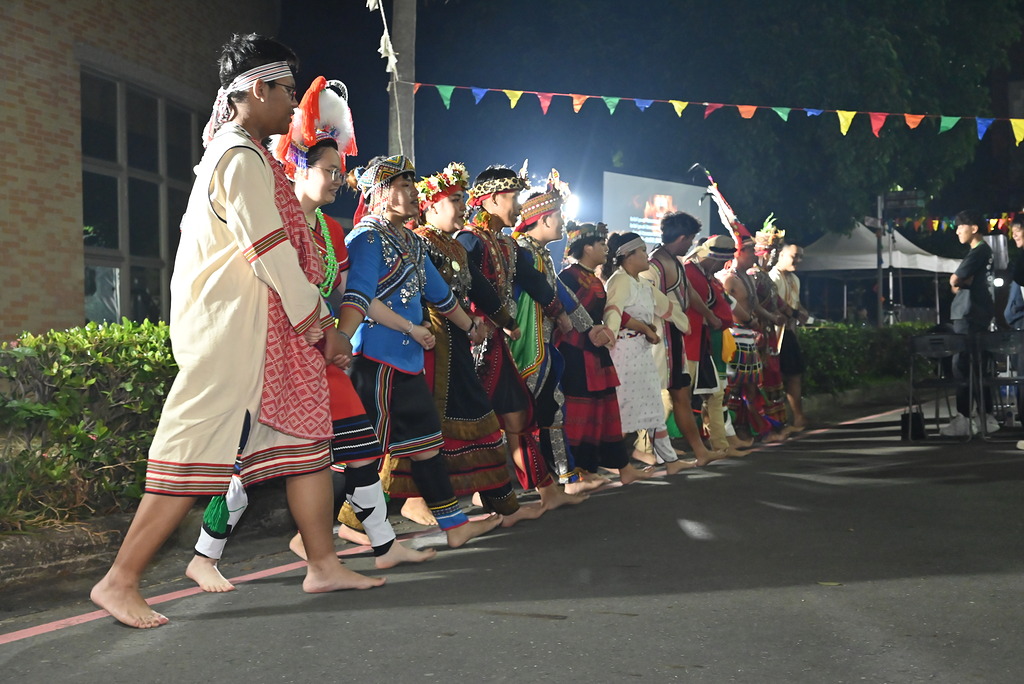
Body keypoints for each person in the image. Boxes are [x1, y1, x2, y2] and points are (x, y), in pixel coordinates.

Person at [90, 35, 385, 630]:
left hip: (266, 330)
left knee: (306, 441)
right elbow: (271, 253)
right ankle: (119, 580)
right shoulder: (240, 159)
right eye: (287, 91)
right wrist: (322, 326)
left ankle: (323, 563)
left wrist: (312, 326)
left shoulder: (248, 154)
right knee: (191, 452)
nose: (294, 104)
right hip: (231, 333)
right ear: (257, 89)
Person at [185, 77, 434, 593]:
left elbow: (346, 292)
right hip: (271, 353)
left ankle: (383, 546)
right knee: (248, 462)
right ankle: (205, 555)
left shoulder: (332, 230)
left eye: (342, 173)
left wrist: (340, 336)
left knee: (359, 445)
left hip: (318, 353)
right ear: (298, 168)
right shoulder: (271, 216)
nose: (338, 181)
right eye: (329, 171)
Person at [341, 154, 503, 545]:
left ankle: (455, 527)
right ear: (381, 194)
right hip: (374, 360)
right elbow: (359, 298)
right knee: (364, 451)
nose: (414, 193)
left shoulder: (411, 241)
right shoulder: (365, 238)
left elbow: (441, 295)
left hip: (407, 361)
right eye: (404, 186)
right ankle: (338, 527)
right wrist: (411, 328)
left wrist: (471, 327)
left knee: (427, 444)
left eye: (413, 186)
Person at [383, 162, 545, 525]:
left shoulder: (453, 246)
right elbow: (432, 295)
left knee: (477, 417)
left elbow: (480, 289)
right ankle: (413, 501)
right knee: (431, 421)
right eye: (455, 200)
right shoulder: (420, 242)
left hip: (455, 342)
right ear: (432, 205)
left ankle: (501, 505)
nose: (463, 206)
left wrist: (506, 322)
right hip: (429, 346)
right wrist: (470, 324)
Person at [459, 166, 588, 509]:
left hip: (498, 342)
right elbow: (462, 288)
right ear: (492, 200)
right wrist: (473, 321)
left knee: (517, 415)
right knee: (483, 419)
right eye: (513, 197)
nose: (518, 205)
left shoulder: (507, 244)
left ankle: (543, 491)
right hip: (472, 343)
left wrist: (558, 311)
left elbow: (535, 281)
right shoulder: (468, 240)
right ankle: (480, 494)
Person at [510, 173, 606, 492]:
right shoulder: (522, 251)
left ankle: (563, 477)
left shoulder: (538, 253)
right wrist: (563, 314)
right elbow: (547, 293)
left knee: (550, 407)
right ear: (545, 219)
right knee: (538, 410)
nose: (563, 222)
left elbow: (560, 292)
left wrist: (588, 326)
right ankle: (559, 479)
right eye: (559, 216)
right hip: (525, 343)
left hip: (541, 341)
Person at [557, 222, 651, 483]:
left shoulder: (594, 278)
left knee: (605, 412)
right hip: (576, 354)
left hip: (596, 352)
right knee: (581, 414)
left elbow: (608, 312)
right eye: (601, 244)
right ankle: (580, 473)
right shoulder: (568, 276)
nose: (606, 249)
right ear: (587, 248)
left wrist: (642, 327)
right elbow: (562, 315)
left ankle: (622, 468)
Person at [603, 232, 696, 473]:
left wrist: (683, 324)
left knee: (653, 407)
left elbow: (665, 306)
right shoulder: (619, 281)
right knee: (623, 407)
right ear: (628, 256)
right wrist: (610, 336)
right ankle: (612, 463)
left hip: (641, 352)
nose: (647, 255)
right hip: (622, 353)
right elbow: (613, 312)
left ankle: (671, 461)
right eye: (642, 251)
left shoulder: (642, 284)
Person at [642, 211, 725, 464]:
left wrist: (708, 315)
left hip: (674, 339)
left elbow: (688, 292)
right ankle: (645, 451)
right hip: (661, 341)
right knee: (661, 398)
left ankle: (698, 453)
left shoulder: (672, 261)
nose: (691, 244)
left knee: (680, 397)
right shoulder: (654, 264)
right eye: (690, 239)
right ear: (681, 238)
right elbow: (645, 301)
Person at [941, 210, 996, 436]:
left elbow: (955, 279)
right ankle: (986, 416)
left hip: (968, 314)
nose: (957, 231)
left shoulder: (978, 251)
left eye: (960, 227)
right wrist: (962, 281)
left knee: (962, 366)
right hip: (977, 313)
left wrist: (958, 281)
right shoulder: (985, 251)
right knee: (979, 366)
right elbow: (960, 281)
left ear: (974, 228)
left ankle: (964, 418)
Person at [770, 243, 809, 430]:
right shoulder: (772, 277)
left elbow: (796, 303)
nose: (798, 260)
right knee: (779, 378)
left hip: (789, 333)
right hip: (774, 334)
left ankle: (798, 418)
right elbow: (773, 305)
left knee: (794, 374)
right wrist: (794, 313)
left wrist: (802, 312)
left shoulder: (795, 279)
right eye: (795, 256)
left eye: (800, 257)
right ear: (781, 254)